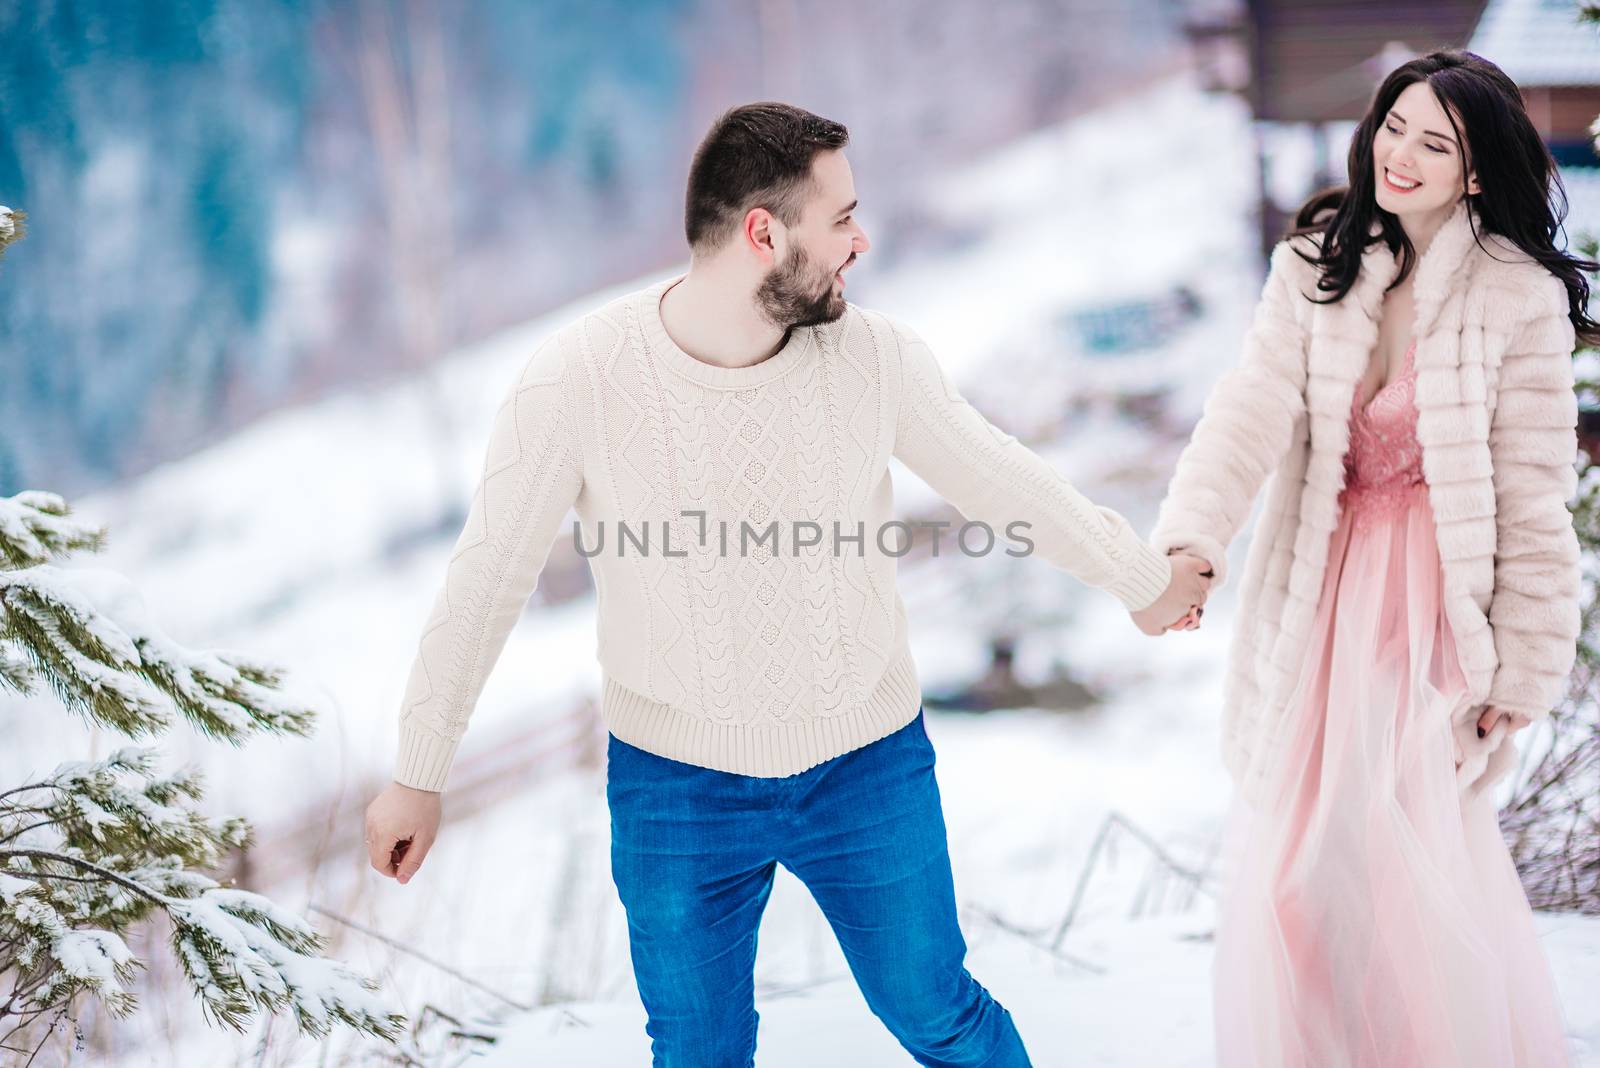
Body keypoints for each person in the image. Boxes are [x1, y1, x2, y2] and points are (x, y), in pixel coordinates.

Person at [364, 101, 1211, 1066]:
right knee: (698, 1053)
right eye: (841, 217)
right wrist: (418, 772)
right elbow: (488, 579)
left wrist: (1143, 579)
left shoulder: (875, 360)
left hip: (865, 761)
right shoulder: (576, 381)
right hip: (674, 785)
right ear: (763, 234)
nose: (863, 239)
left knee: (937, 1013)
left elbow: (1003, 479)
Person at [1150, 50, 1594, 1067]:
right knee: (1295, 883)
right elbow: (1247, 412)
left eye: (1433, 142)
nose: (1399, 154)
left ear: (1476, 171)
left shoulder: (1514, 297)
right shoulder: (1314, 264)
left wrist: (1522, 673)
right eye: (1393, 126)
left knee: (1391, 877)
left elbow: (1533, 500)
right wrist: (1191, 539)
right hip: (1321, 590)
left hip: (1435, 610)